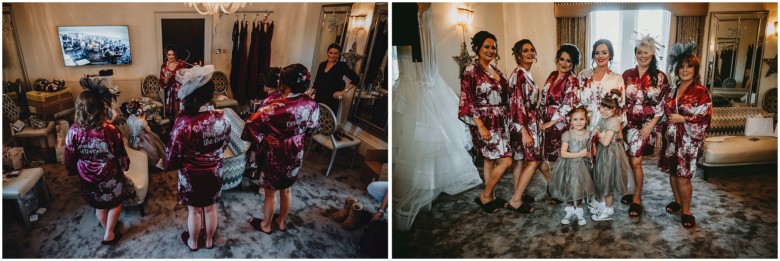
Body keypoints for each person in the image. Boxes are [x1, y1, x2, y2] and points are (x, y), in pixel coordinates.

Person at [392, 3, 481, 231]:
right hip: (414, 76)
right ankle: (423, 188)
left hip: (425, 77)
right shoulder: (404, 12)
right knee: (421, 136)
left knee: (429, 136)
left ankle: (430, 185)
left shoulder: (420, 10)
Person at [243, 63, 320, 234]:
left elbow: (250, 125)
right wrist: (297, 133)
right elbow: (313, 127)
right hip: (296, 149)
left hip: (277, 150)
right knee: (286, 189)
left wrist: (265, 137)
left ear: (284, 83)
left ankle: (266, 225)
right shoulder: (312, 103)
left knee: (270, 193)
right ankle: (282, 221)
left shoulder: (274, 108)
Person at [165, 65, 232, 251]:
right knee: (211, 208)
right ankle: (209, 240)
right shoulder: (223, 118)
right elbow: (224, 144)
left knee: (194, 210)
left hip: (191, 175)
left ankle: (193, 243)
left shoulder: (183, 124)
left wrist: (175, 165)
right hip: (214, 171)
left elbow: (172, 154)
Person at [65, 77, 134, 245]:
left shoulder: (73, 131)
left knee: (99, 206)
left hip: (87, 176)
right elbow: (121, 154)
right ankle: (110, 232)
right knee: (115, 203)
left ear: (80, 109)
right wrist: (125, 166)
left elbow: (69, 156)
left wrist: (72, 171)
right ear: (100, 108)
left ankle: (107, 229)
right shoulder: (110, 129)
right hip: (109, 174)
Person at [458, 31, 522, 213]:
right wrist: (480, 125)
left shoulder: (495, 69)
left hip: (501, 120)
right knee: (506, 161)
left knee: (489, 160)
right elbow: (467, 99)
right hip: (486, 121)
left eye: (493, 47)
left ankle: (490, 198)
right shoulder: (471, 70)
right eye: (486, 46)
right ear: (477, 48)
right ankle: (485, 195)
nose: (491, 50)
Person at [659, 41, 711, 228]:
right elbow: (662, 112)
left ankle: (687, 211)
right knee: (672, 173)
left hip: (688, 140)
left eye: (689, 67)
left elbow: (705, 116)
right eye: (681, 67)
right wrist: (660, 133)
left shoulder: (701, 91)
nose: (684, 70)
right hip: (670, 138)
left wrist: (684, 119)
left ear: (695, 69)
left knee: (683, 176)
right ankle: (677, 201)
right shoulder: (672, 88)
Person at [620, 35, 671, 217]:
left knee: (636, 160)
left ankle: (637, 198)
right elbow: (620, 100)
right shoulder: (626, 75)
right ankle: (631, 190)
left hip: (646, 126)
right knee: (627, 161)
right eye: (639, 52)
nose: (642, 56)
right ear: (635, 54)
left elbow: (663, 105)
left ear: (653, 54)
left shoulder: (660, 77)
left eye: (646, 53)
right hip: (627, 124)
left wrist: (652, 127)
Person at [577, 39, 625, 211]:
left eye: (604, 52)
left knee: (603, 164)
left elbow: (620, 108)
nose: (600, 56)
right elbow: (577, 102)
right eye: (597, 52)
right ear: (593, 55)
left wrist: (618, 131)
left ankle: (603, 199)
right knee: (586, 161)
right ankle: (592, 196)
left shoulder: (617, 78)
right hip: (586, 123)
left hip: (605, 126)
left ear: (610, 54)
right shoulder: (583, 75)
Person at [538, 44, 581, 205]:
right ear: (557, 59)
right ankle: (553, 185)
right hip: (545, 121)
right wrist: (541, 118)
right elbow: (543, 98)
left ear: (573, 63)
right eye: (561, 59)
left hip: (560, 124)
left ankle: (561, 190)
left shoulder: (572, 80)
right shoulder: (552, 75)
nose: (564, 63)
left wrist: (552, 122)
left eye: (568, 61)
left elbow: (568, 104)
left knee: (561, 160)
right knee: (544, 157)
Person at [506, 39, 543, 208]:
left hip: (528, 121)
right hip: (523, 123)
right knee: (533, 160)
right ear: (518, 55)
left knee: (520, 159)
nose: (530, 53)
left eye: (532, 50)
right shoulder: (518, 75)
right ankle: (516, 200)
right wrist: (525, 131)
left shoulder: (526, 73)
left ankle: (517, 193)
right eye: (525, 50)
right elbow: (516, 104)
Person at [591, 89, 633, 221]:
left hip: (610, 153)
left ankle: (609, 210)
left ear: (615, 110)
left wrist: (598, 136)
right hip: (603, 154)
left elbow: (605, 142)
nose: (604, 110)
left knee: (607, 180)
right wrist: (598, 134)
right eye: (603, 107)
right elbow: (595, 131)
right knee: (601, 178)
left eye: (609, 109)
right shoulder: (603, 119)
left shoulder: (614, 121)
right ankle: (603, 204)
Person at [549, 107, 595, 225]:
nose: (578, 122)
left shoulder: (589, 134)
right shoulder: (567, 134)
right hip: (569, 166)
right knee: (570, 187)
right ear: (570, 121)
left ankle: (579, 212)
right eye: (575, 119)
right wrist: (580, 154)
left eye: (581, 119)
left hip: (583, 167)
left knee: (579, 189)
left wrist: (589, 154)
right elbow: (563, 153)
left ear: (586, 120)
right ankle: (569, 211)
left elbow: (592, 152)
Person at [312, 43, 360, 116]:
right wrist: (312, 92)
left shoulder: (341, 66)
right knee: (315, 119)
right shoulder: (322, 65)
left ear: (338, 54)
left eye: (335, 53)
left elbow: (356, 79)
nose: (332, 55)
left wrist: (343, 92)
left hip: (331, 100)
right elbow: (317, 81)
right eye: (330, 53)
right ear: (327, 52)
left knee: (327, 122)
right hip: (318, 97)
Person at [121, 99, 167, 169]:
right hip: (142, 139)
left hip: (132, 140)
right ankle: (157, 162)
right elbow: (148, 130)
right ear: (139, 110)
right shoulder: (141, 121)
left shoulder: (128, 120)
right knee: (155, 143)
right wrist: (144, 119)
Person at [159, 44, 190, 118]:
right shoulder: (164, 67)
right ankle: (177, 125)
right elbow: (162, 84)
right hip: (172, 92)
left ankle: (184, 126)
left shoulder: (181, 63)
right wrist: (166, 79)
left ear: (175, 55)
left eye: (173, 54)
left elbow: (189, 75)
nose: (171, 57)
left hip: (183, 90)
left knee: (185, 111)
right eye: (169, 55)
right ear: (166, 55)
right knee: (176, 112)